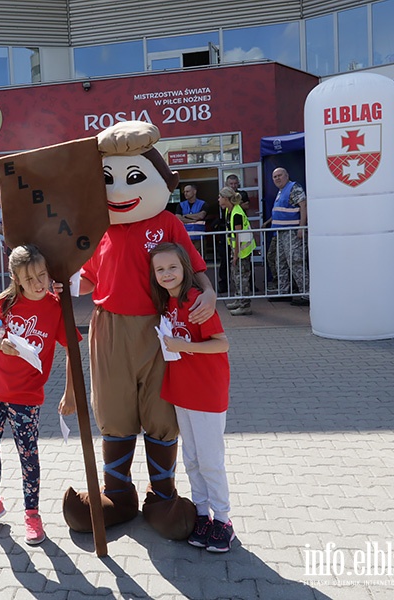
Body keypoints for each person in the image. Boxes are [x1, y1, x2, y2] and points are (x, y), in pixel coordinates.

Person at [62, 121, 216, 541]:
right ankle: (117, 495)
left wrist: (211, 296)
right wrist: (65, 279)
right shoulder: (101, 231)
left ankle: (162, 495)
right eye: (108, 179)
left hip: (160, 328)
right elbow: (90, 279)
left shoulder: (167, 222)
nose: (118, 189)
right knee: (113, 408)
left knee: (160, 409)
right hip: (108, 329)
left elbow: (195, 269)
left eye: (131, 177)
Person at [0, 244, 77, 546]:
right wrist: (1, 346)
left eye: (42, 275)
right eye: (30, 279)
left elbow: (74, 351)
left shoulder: (55, 306)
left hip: (27, 396)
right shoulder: (4, 303)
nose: (39, 283)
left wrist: (71, 393)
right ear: (15, 278)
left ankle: (32, 514)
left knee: (28, 454)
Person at [149, 242, 234, 552]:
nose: (167, 273)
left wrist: (185, 347)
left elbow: (221, 344)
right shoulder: (168, 304)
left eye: (172, 267)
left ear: (185, 268)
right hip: (182, 394)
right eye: (160, 269)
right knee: (192, 459)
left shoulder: (197, 302)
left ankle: (223, 520)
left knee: (211, 461)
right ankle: (202, 515)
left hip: (206, 394)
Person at [269, 167, 309, 306]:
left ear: (287, 176)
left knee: (295, 261)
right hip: (280, 232)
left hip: (292, 232)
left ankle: (306, 293)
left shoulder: (294, 187)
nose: (277, 178)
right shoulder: (281, 192)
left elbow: (303, 206)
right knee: (280, 262)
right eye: (275, 177)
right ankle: (284, 292)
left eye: (280, 175)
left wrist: (301, 227)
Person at [218, 187, 256, 316]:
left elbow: (238, 235)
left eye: (220, 197)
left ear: (226, 198)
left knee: (242, 278)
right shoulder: (229, 211)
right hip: (236, 249)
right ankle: (239, 300)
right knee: (236, 276)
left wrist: (235, 255)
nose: (218, 200)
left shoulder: (237, 213)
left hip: (242, 251)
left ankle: (245, 305)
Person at [175, 184, 207, 255]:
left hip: (199, 236)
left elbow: (201, 216)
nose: (185, 193)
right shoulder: (181, 205)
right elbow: (178, 218)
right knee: (187, 257)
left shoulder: (203, 204)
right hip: (186, 236)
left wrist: (186, 216)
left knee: (199, 257)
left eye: (188, 191)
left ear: (194, 192)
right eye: (184, 192)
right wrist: (192, 220)